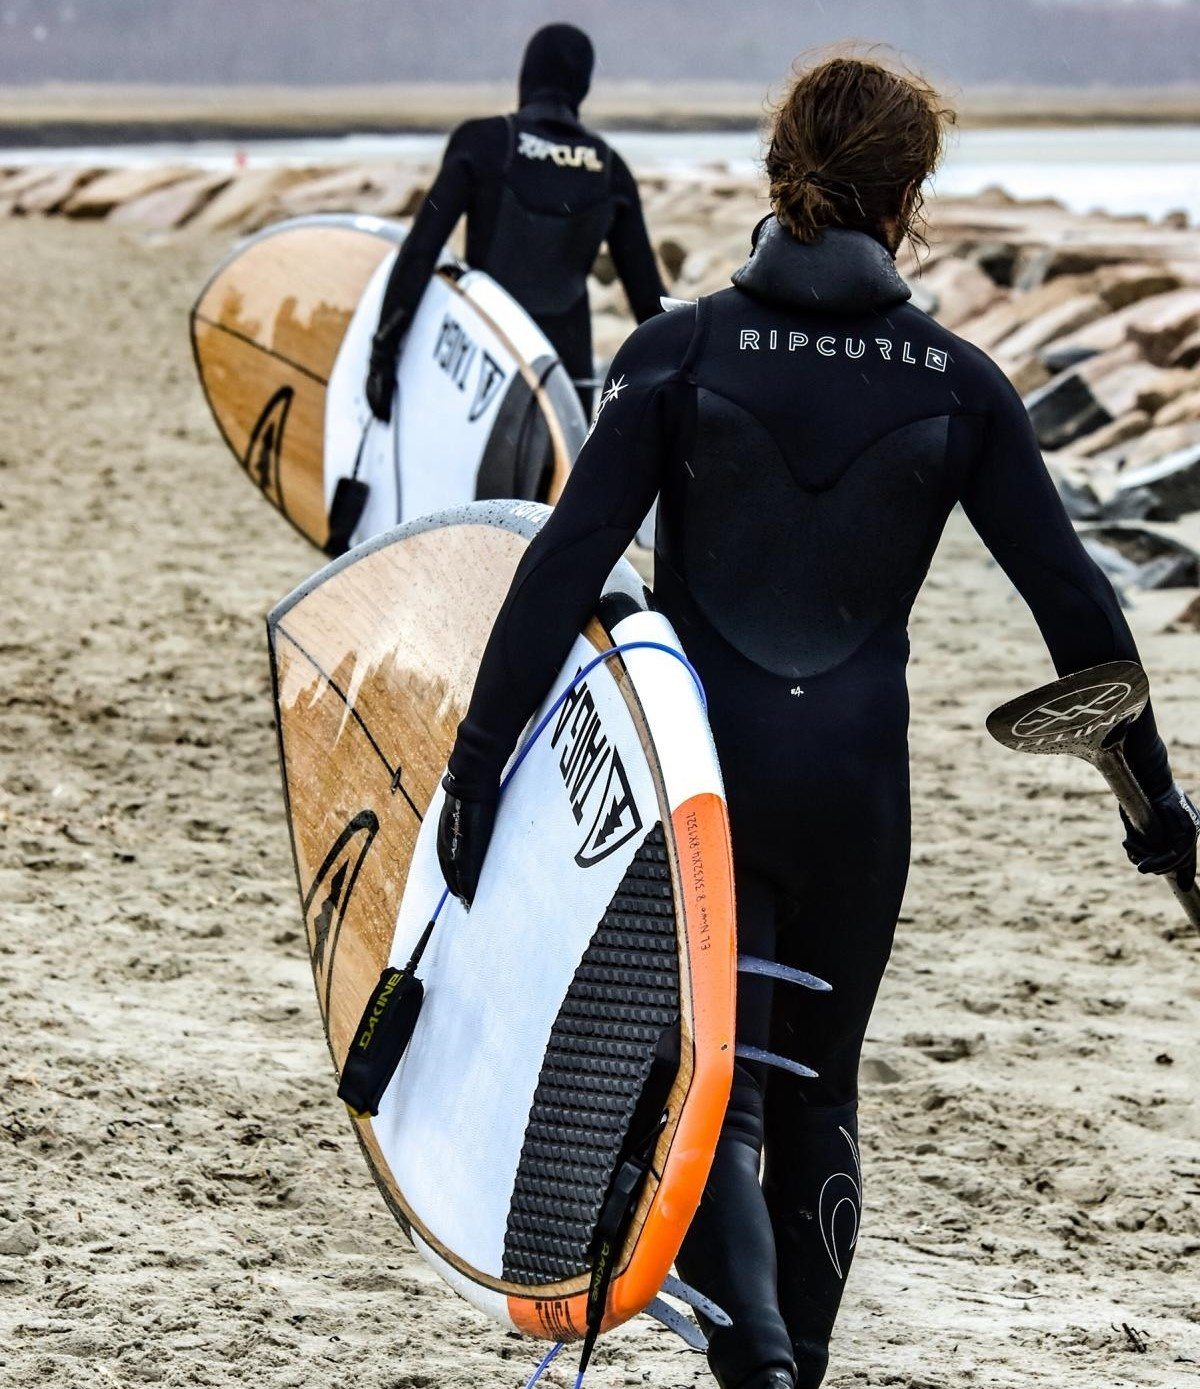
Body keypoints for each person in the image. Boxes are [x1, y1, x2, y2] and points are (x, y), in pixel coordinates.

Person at [433, 55, 1197, 1389]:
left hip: (706, 785)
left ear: (780, 168)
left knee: (708, 1085)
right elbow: (1079, 613)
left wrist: (475, 765)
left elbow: (561, 567)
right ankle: (794, 1373)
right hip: (857, 794)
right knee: (818, 1093)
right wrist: (1160, 814)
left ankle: (755, 1365)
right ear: (909, 196)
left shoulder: (677, 351)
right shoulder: (960, 384)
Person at [365, 22, 665, 422]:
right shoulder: (609, 169)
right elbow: (650, 303)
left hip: (483, 369)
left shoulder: (483, 143)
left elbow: (422, 249)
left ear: (528, 74)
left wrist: (383, 353)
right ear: (583, 86)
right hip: (567, 384)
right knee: (554, 486)